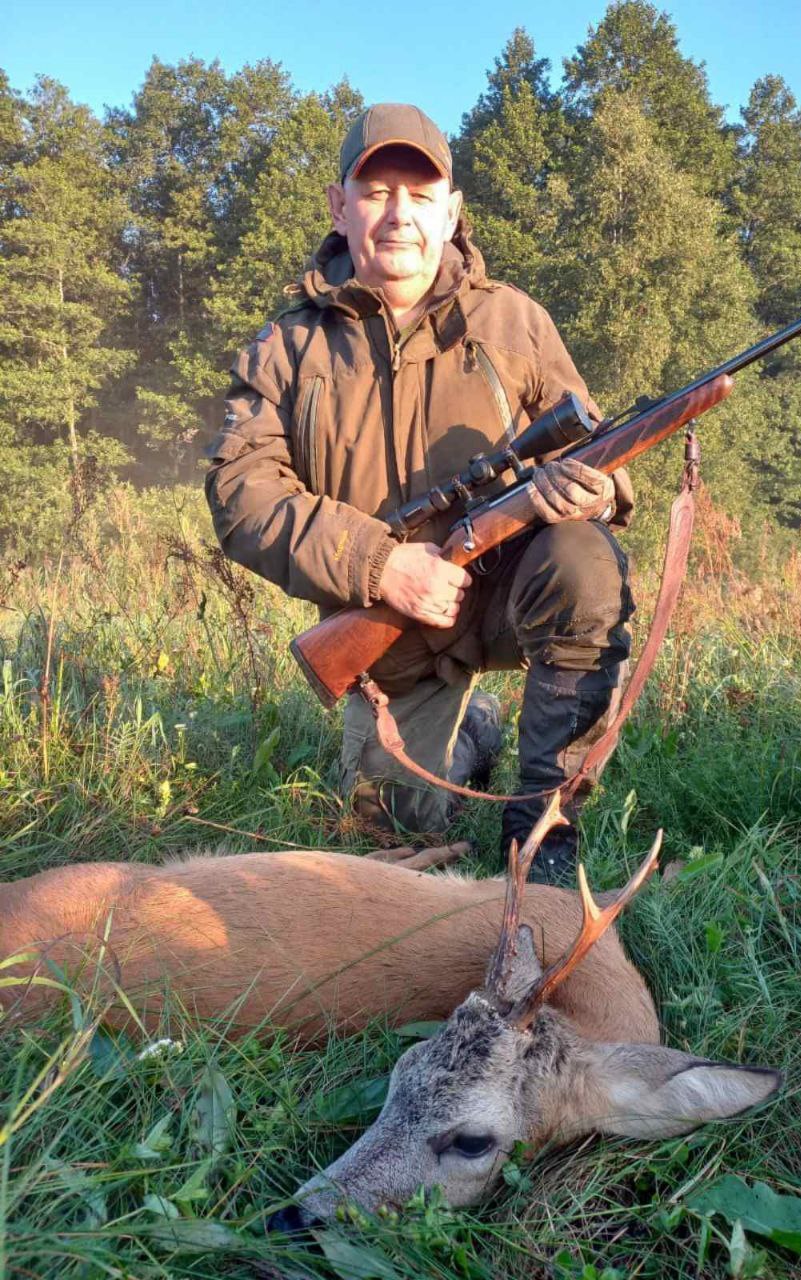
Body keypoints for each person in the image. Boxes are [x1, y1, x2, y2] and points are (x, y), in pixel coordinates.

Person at [205, 103, 635, 883]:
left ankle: (543, 826)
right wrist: (380, 564)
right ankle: (473, 733)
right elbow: (241, 494)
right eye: (376, 192)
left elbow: (601, 453)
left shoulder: (513, 320)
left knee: (585, 561)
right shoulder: (287, 345)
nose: (399, 214)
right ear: (339, 207)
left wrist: (598, 494)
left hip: (505, 593)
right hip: (391, 637)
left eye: (421, 194)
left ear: (451, 211)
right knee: (391, 834)